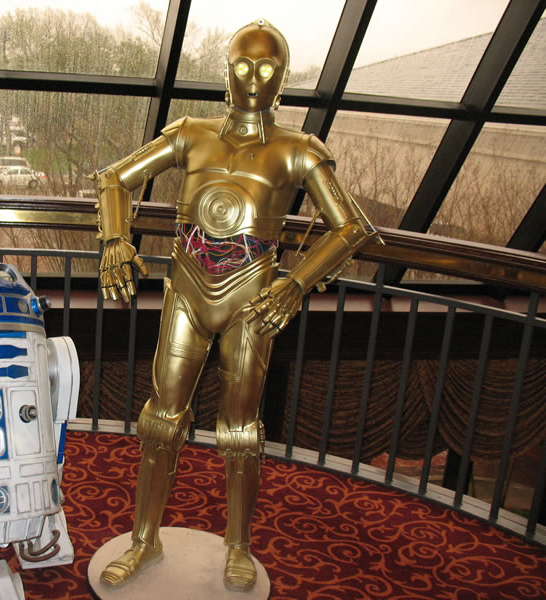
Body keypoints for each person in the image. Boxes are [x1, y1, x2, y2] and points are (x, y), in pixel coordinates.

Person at [93, 18, 381, 591]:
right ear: (227, 72)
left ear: (283, 79)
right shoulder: (189, 133)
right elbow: (113, 178)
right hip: (186, 286)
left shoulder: (298, 150)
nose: (254, 77)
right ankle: (144, 540)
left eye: (267, 67)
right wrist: (115, 239)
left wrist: (295, 284)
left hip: (253, 297)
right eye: (244, 65)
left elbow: (352, 226)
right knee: (159, 422)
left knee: (241, 431)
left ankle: (239, 546)